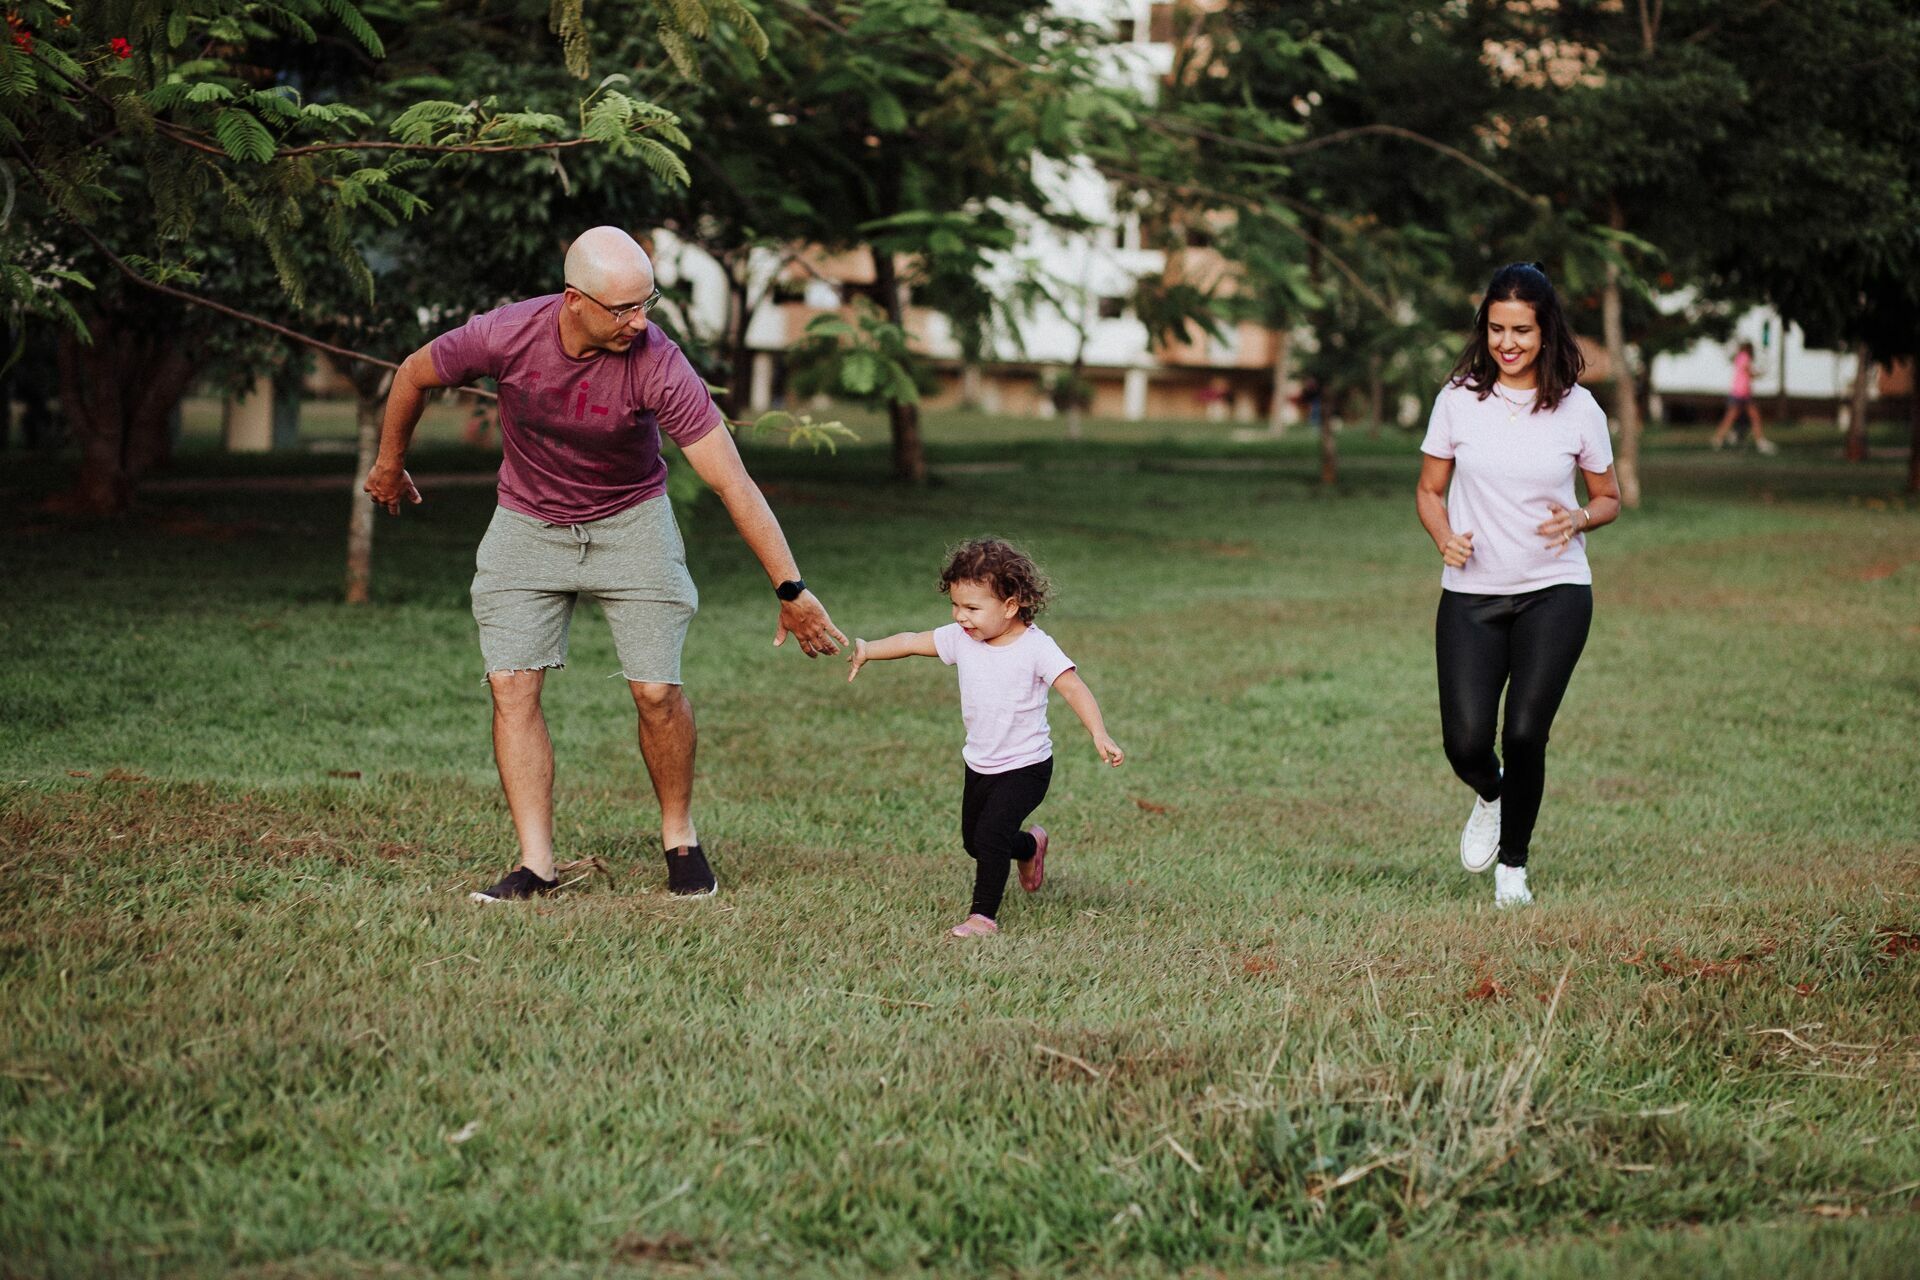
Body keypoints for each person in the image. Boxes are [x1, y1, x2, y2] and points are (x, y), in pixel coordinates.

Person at [363, 226, 846, 903]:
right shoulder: (507, 333)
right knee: (511, 687)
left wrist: (791, 588)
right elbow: (414, 371)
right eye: (622, 308)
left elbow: (732, 481)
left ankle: (680, 838)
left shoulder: (658, 362)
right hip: (527, 523)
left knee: (656, 692)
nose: (639, 321)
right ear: (573, 300)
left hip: (630, 523)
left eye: (646, 303)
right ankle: (537, 864)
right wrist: (389, 465)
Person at [1413, 262, 1622, 908]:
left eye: (1522, 331)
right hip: (1471, 595)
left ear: (1545, 330)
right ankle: (1493, 794)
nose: (1508, 343)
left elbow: (1609, 497)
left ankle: (1513, 870)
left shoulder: (1578, 407)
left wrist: (1581, 517)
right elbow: (1428, 490)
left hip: (1555, 591)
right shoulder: (1457, 399)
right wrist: (1443, 535)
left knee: (1527, 731)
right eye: (1497, 329)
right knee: (1467, 742)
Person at [844, 538, 1124, 937]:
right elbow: (910, 641)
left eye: (973, 608)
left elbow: (1073, 688)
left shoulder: (1036, 648)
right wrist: (868, 649)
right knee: (976, 843)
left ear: (1011, 605)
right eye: (956, 606)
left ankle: (983, 917)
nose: (961, 617)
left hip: (1026, 766)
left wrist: (1100, 734)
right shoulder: (961, 638)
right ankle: (1029, 847)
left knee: (991, 836)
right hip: (980, 763)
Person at [1710, 340, 1779, 455]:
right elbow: (1749, 373)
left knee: (1747, 417)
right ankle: (1758, 442)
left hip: (1742, 393)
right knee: (1742, 417)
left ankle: (1721, 438)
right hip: (1740, 393)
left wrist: (1758, 374)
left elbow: (1747, 373)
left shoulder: (1740, 357)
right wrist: (1761, 374)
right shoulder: (1744, 357)